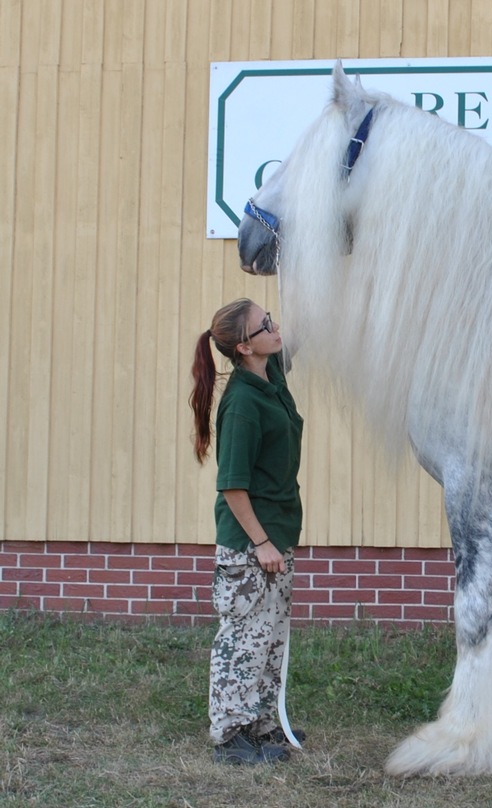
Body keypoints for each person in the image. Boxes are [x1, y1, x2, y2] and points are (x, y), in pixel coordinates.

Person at [188, 298, 305, 765]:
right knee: (243, 638)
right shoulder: (241, 404)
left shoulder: (269, 375)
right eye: (266, 326)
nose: (275, 328)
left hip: (276, 535)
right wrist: (260, 544)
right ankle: (230, 735)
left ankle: (260, 721)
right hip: (250, 545)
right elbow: (233, 486)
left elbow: (296, 342)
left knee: (271, 636)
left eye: (271, 319)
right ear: (243, 346)